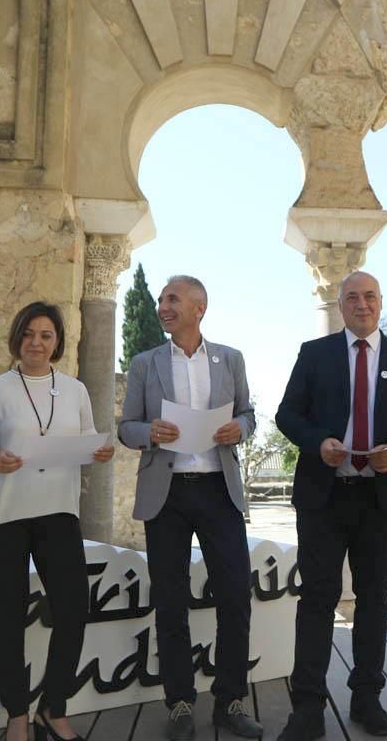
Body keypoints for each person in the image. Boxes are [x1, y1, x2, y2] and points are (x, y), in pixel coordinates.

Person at [274, 271, 387, 741]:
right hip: (324, 497)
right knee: (317, 600)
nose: (362, 304)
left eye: (370, 296)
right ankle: (307, 708)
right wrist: (318, 442)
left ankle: (366, 698)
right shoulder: (314, 354)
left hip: (380, 500)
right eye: (353, 297)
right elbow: (287, 415)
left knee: (375, 599)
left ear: (381, 303)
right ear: (340, 305)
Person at [118, 275, 263, 741]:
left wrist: (238, 428)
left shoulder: (230, 359)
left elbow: (249, 415)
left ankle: (231, 701)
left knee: (235, 597)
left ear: (199, 308)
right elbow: (127, 428)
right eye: (160, 299)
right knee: (170, 600)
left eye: (172, 299)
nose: (163, 306)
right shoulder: (145, 363)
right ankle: (180, 702)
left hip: (220, 490)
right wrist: (149, 433)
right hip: (168, 493)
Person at [0, 302, 114, 741]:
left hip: (58, 515)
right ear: (17, 338)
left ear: (57, 343)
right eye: (29, 334)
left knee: (72, 610)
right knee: (9, 616)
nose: (37, 343)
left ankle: (53, 707)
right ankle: (16, 716)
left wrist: (100, 452)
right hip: (2, 517)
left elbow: (89, 445)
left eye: (46, 335)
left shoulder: (76, 390)